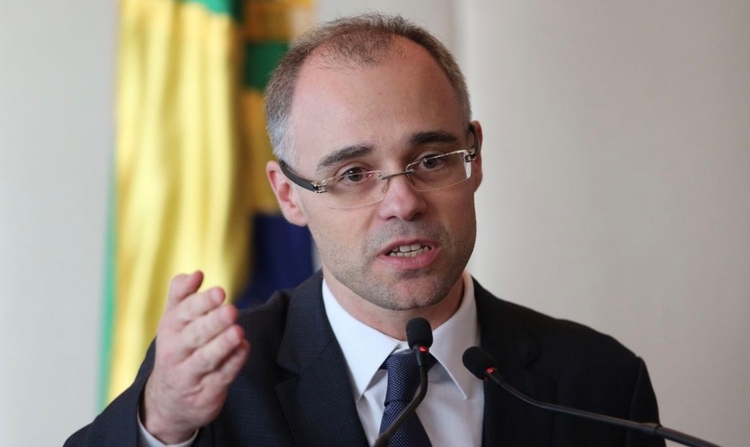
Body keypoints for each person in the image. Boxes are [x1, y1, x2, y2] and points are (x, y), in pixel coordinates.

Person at [66, 13, 664, 447]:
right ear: (288, 195)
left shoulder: (599, 384)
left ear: (474, 157)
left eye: (431, 160)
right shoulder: (222, 390)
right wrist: (162, 423)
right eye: (353, 173)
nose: (402, 202)